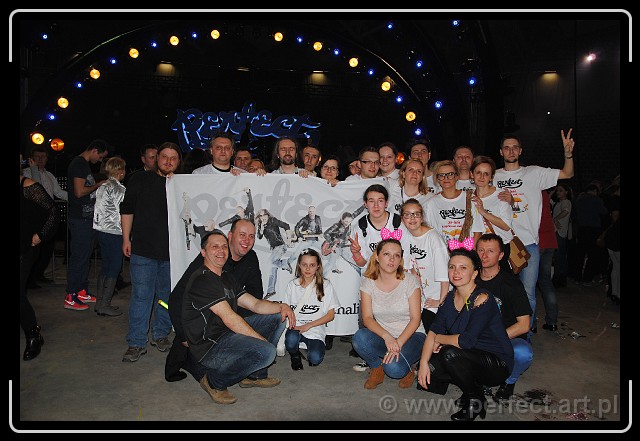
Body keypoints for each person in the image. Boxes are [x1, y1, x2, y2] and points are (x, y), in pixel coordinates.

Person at [182, 230, 295, 405]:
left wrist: (282, 307)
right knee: (266, 352)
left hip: (226, 334)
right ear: (203, 252)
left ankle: (254, 375)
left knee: (277, 316)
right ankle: (214, 382)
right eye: (214, 247)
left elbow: (254, 304)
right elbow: (230, 319)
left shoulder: (226, 277)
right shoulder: (203, 280)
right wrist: (262, 342)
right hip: (210, 347)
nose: (221, 251)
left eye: (224, 246)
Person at [417, 247, 514, 421]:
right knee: (431, 365)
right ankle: (473, 387)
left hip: (497, 363)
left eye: (463, 268)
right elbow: (434, 329)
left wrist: (439, 339)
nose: (456, 272)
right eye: (452, 267)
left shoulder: (482, 298)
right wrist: (423, 363)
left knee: (449, 353)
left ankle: (475, 399)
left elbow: (466, 341)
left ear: (475, 273)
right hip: (471, 355)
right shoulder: (450, 297)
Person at [494, 130, 574, 335]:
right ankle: (501, 332)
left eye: (515, 147)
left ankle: (525, 334)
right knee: (500, 292)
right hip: (500, 243)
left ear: (520, 151)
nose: (511, 151)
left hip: (528, 243)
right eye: (506, 148)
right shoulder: (493, 176)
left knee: (528, 292)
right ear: (501, 152)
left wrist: (568, 154)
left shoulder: (534, 173)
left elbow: (567, 173)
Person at [165, 218, 265, 382]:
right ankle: (180, 365)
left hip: (227, 310)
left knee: (257, 316)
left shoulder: (251, 258)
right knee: (202, 367)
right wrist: (183, 336)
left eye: (251, 236)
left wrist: (234, 313)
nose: (247, 240)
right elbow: (177, 297)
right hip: (201, 317)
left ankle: (250, 369)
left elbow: (256, 294)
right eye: (242, 235)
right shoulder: (209, 260)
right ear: (230, 236)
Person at [120, 142, 182, 362]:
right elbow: (127, 209)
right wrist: (126, 238)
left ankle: (161, 334)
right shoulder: (139, 179)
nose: (168, 161)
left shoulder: (181, 183)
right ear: (157, 158)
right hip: (143, 250)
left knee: (165, 298)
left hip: (172, 254)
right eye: (164, 157)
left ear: (179, 162)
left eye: (173, 158)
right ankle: (136, 342)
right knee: (141, 297)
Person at [352, 238, 426, 390]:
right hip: (386, 336)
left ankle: (408, 369)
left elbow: (415, 319)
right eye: (386, 254)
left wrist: (399, 343)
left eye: (397, 255)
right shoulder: (368, 282)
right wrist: (388, 337)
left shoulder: (410, 281)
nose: (392, 259)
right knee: (360, 338)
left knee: (394, 369)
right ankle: (376, 367)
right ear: (377, 257)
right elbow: (367, 318)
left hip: (413, 336)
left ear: (400, 260)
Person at [475, 233, 533, 401]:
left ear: (500, 255)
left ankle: (509, 381)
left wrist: (494, 338)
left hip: (505, 338)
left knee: (523, 352)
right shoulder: (470, 279)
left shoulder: (511, 283)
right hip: (476, 337)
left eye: (490, 251)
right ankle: (479, 380)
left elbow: (524, 325)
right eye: (481, 250)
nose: (484, 255)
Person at [20, 153, 59, 360]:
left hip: (24, 247)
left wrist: (40, 236)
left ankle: (32, 334)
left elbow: (52, 212)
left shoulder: (29, 186)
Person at [64, 139, 109, 311]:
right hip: (79, 219)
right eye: (100, 157)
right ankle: (71, 295)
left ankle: (81, 290)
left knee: (85, 256)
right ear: (95, 150)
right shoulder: (79, 164)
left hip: (86, 218)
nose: (99, 160)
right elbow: (79, 191)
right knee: (79, 257)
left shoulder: (84, 165)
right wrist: (98, 185)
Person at [284, 248, 339, 370]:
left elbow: (331, 315)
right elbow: (286, 309)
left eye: (312, 265)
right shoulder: (292, 285)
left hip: (315, 329)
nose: (308, 269)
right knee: (291, 340)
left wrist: (309, 325)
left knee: (315, 359)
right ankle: (295, 355)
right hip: (296, 327)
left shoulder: (326, 285)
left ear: (318, 266)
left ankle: (313, 347)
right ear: (299, 265)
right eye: (304, 265)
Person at [400, 199, 450, 332]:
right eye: (408, 214)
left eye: (416, 214)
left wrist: (441, 302)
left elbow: (445, 276)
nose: (412, 218)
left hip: (435, 298)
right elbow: (407, 267)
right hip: (419, 298)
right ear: (402, 219)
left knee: (432, 333)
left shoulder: (433, 238)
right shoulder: (406, 237)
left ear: (422, 218)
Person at [23, 145, 67, 287]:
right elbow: (36, 189)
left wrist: (78, 198)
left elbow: (58, 192)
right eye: (37, 157)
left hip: (47, 216)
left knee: (47, 249)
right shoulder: (26, 173)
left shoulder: (49, 175)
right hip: (33, 217)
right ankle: (29, 279)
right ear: (31, 158)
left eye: (43, 157)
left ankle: (38, 275)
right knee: (33, 249)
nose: (40, 159)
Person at [92, 156, 127, 317]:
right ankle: (105, 304)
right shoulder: (118, 189)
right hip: (114, 231)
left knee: (106, 266)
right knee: (113, 267)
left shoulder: (103, 186)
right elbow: (123, 212)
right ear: (120, 171)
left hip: (100, 230)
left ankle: (100, 303)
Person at [424, 160, 484, 245]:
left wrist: (472, 251)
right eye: (441, 175)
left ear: (457, 176)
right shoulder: (431, 203)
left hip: (466, 250)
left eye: (450, 174)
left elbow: (478, 230)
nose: (446, 178)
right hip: (442, 250)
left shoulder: (470, 198)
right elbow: (428, 232)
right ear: (437, 179)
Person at [470, 155, 513, 272]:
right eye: (478, 172)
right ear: (472, 174)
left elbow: (506, 226)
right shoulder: (468, 196)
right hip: (479, 248)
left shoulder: (500, 195)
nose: (482, 177)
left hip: (499, 247)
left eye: (486, 174)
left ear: (491, 177)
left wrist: (483, 212)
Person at [256, 208, 291, 298]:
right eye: (261, 216)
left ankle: (285, 263)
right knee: (272, 268)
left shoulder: (272, 220)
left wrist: (289, 238)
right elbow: (259, 236)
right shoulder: (261, 225)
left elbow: (286, 225)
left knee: (270, 263)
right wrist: (262, 228)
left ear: (268, 215)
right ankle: (271, 290)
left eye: (264, 215)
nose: (263, 217)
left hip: (280, 246)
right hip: (274, 249)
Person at [537, 190, 559, 332]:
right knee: (546, 282)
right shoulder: (544, 193)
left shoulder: (531, 191)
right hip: (550, 241)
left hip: (537, 241)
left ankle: (530, 325)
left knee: (529, 284)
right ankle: (552, 321)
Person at [285, 205, 323, 271]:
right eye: (310, 211)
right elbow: (297, 227)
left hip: (315, 240)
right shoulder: (304, 219)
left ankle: (333, 267)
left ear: (315, 211)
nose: (311, 213)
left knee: (325, 250)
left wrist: (320, 233)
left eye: (313, 211)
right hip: (306, 240)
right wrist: (299, 236)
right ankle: (287, 263)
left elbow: (319, 228)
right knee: (296, 254)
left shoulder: (318, 218)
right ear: (308, 211)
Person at [551, 183, 573, 288]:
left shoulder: (566, 202)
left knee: (560, 256)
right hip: (557, 231)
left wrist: (555, 219)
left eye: (561, 190)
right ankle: (559, 276)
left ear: (566, 192)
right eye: (557, 191)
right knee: (558, 255)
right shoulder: (558, 203)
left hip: (560, 232)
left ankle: (559, 277)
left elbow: (566, 211)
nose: (558, 192)